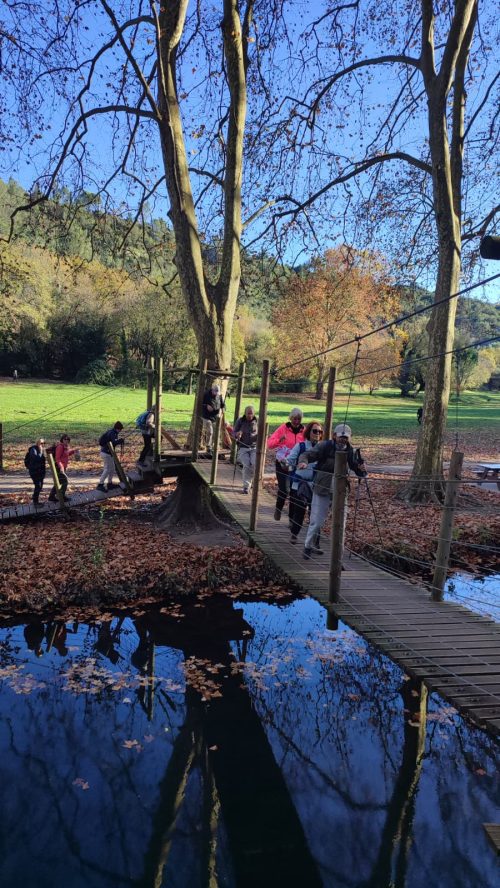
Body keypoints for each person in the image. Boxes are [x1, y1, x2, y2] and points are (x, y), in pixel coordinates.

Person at [298, 423, 367, 560]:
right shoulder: (325, 446)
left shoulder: (350, 451)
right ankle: (307, 545)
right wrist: (303, 462)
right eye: (341, 437)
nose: (343, 440)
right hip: (322, 487)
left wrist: (362, 469)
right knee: (317, 521)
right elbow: (307, 454)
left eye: (346, 437)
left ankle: (338, 558)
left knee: (341, 524)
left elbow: (358, 471)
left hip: (341, 491)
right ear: (334, 436)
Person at [287, 421, 323, 544]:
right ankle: (294, 534)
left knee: (315, 514)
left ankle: (315, 542)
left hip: (316, 486)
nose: (317, 434)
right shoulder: (300, 446)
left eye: (319, 431)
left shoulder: (322, 449)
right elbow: (290, 460)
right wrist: (288, 463)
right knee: (300, 510)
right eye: (315, 431)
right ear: (309, 432)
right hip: (300, 485)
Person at [267, 407, 305, 521]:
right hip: (282, 463)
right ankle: (278, 508)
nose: (296, 421)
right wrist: (280, 441)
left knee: (294, 493)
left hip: (296, 465)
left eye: (298, 419)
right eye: (294, 419)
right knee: (284, 490)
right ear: (290, 418)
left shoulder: (304, 431)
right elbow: (270, 444)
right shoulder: (283, 428)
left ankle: (291, 519)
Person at [233, 405, 258, 494]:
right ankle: (246, 487)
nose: (250, 416)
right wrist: (237, 434)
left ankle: (254, 483)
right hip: (243, 447)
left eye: (251, 414)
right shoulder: (240, 421)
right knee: (247, 464)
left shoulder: (257, 420)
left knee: (255, 463)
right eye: (248, 414)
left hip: (254, 447)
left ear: (254, 413)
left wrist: (257, 436)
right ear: (245, 413)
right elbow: (234, 432)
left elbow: (262, 433)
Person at [48, 434, 77, 502]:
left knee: (59, 482)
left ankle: (51, 497)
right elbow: (57, 458)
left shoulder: (65, 447)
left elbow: (66, 455)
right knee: (64, 482)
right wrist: (61, 467)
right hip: (59, 468)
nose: (66, 440)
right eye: (65, 439)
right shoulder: (60, 447)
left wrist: (73, 451)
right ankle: (62, 497)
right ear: (62, 440)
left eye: (68, 439)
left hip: (63, 467)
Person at [97, 421, 125, 492]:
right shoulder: (113, 433)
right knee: (107, 469)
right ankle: (100, 484)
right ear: (118, 428)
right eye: (120, 429)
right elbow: (113, 442)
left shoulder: (112, 432)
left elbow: (113, 442)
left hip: (108, 453)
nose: (120, 431)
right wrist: (120, 441)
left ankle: (110, 483)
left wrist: (119, 440)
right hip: (106, 453)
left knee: (112, 468)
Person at [202, 384, 226, 455]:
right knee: (210, 431)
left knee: (216, 432)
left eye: (217, 392)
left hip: (215, 417)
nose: (216, 394)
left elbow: (223, 405)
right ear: (212, 390)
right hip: (206, 416)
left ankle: (213, 447)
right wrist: (206, 406)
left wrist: (223, 409)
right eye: (215, 392)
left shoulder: (219, 396)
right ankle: (208, 447)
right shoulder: (206, 395)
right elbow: (201, 404)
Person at [25, 438, 46, 505]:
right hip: (34, 471)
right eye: (41, 443)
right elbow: (36, 458)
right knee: (38, 485)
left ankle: (35, 499)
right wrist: (41, 451)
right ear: (37, 443)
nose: (42, 445)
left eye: (43, 443)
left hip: (40, 471)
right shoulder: (33, 449)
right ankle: (35, 501)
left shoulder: (42, 450)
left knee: (40, 486)